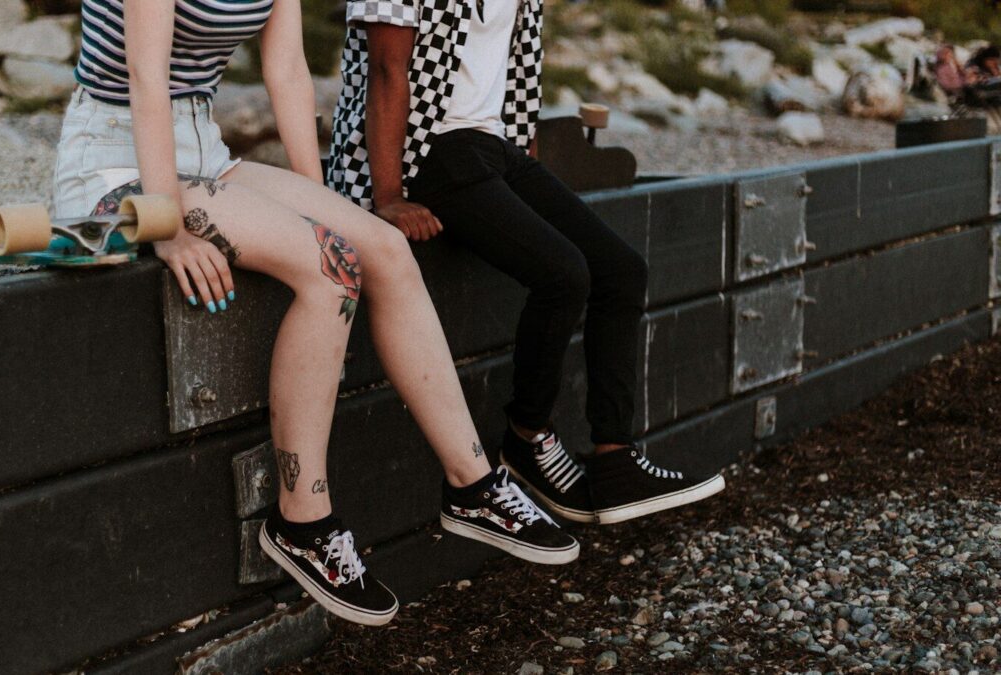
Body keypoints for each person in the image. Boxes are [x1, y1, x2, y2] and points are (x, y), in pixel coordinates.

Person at [55, 0, 578, 627]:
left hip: (205, 149)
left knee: (380, 248)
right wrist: (165, 223)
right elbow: (146, 72)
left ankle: (472, 485)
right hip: (115, 160)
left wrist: (324, 205)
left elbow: (289, 71)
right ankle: (302, 519)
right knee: (331, 267)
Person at [327, 0, 726, 526]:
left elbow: (513, 69)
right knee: (564, 274)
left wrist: (526, 178)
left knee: (620, 270)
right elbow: (386, 68)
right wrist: (388, 196)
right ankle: (527, 437)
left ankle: (615, 462)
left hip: (492, 147)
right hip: (426, 150)